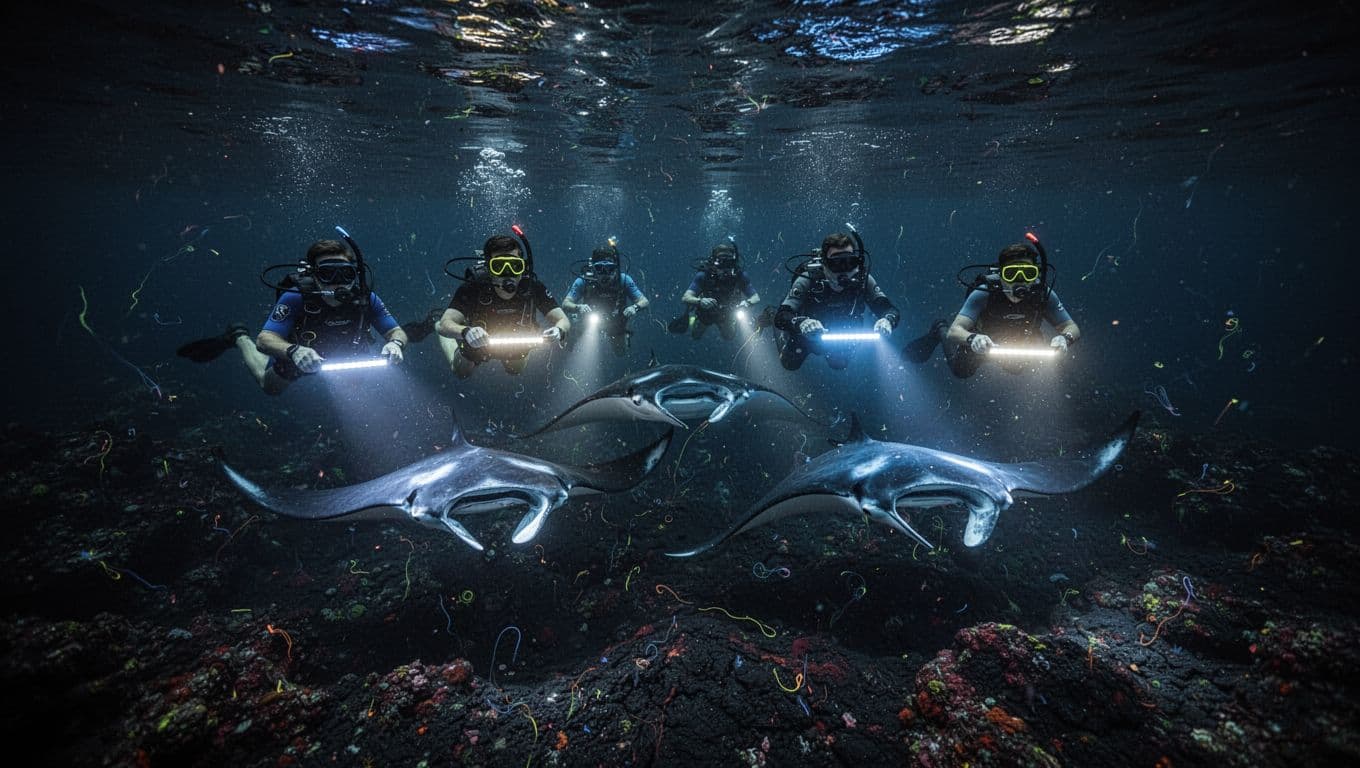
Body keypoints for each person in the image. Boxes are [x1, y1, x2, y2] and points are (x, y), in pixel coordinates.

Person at [176, 238, 408, 395]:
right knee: (270, 387)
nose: (338, 281)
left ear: (355, 274)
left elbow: (396, 331)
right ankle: (238, 336)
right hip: (299, 354)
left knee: (355, 386)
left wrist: (395, 344)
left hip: (346, 353)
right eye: (328, 274)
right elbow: (265, 339)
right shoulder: (295, 297)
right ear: (314, 276)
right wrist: (294, 351)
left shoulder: (367, 298)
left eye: (345, 273)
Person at [903, 238, 1080, 378]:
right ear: (1000, 275)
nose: (1020, 280)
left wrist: (1065, 338)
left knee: (1017, 368)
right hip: (983, 339)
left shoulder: (1042, 294)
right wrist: (973, 338)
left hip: (1017, 341)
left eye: (1028, 273)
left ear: (1036, 274)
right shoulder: (985, 292)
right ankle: (938, 328)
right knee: (961, 370)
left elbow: (1071, 327)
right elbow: (955, 331)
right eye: (1011, 273)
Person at [431, 233, 570, 379]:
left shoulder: (533, 288)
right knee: (461, 371)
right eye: (499, 266)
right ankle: (445, 335)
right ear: (489, 268)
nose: (508, 273)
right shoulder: (473, 287)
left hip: (516, 344)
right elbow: (444, 325)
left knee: (515, 370)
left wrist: (559, 330)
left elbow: (563, 320)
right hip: (477, 343)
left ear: (523, 267)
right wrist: (465, 332)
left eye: (515, 266)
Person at [772, 231, 899, 371]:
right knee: (789, 364)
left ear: (857, 263)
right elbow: (782, 316)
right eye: (836, 263)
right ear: (824, 264)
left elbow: (889, 309)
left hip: (840, 334)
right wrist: (801, 322)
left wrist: (887, 320)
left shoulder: (863, 280)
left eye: (849, 262)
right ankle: (780, 332)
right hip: (806, 335)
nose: (843, 271)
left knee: (839, 365)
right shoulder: (808, 279)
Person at [561, 243, 649, 356]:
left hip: (616, 321)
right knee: (571, 348)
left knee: (621, 353)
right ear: (593, 268)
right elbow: (566, 303)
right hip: (587, 321)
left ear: (616, 268)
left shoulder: (624, 280)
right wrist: (578, 307)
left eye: (610, 269)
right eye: (599, 268)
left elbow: (644, 301)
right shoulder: (584, 281)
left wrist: (635, 307)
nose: (605, 274)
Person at [674, 242, 760, 341]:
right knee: (695, 335)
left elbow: (756, 297)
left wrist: (747, 303)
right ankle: (693, 319)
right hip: (706, 312)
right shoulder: (703, 276)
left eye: (728, 262)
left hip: (728, 313)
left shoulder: (739, 276)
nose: (724, 268)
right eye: (721, 262)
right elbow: (686, 297)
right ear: (714, 262)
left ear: (733, 262)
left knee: (728, 336)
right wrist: (700, 301)